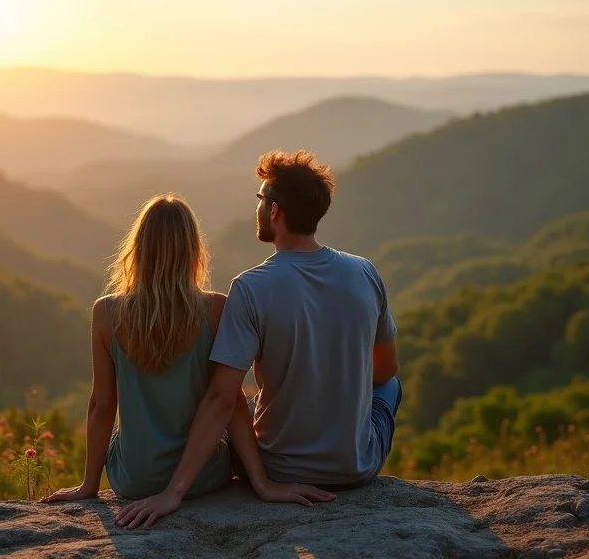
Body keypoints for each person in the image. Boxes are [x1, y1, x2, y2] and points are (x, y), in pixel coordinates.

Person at [114, 149, 401, 529]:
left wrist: (174, 493)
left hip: (276, 467)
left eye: (260, 199)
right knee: (391, 386)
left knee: (241, 401)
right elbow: (385, 370)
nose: (258, 207)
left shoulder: (250, 289)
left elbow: (220, 399)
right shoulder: (365, 273)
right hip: (356, 468)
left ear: (275, 211)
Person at [41, 194, 332, 516]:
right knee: (243, 400)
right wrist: (262, 483)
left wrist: (88, 486)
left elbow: (102, 405)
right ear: (193, 250)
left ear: (138, 248)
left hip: (132, 478)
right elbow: (228, 401)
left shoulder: (106, 312)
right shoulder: (215, 309)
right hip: (202, 478)